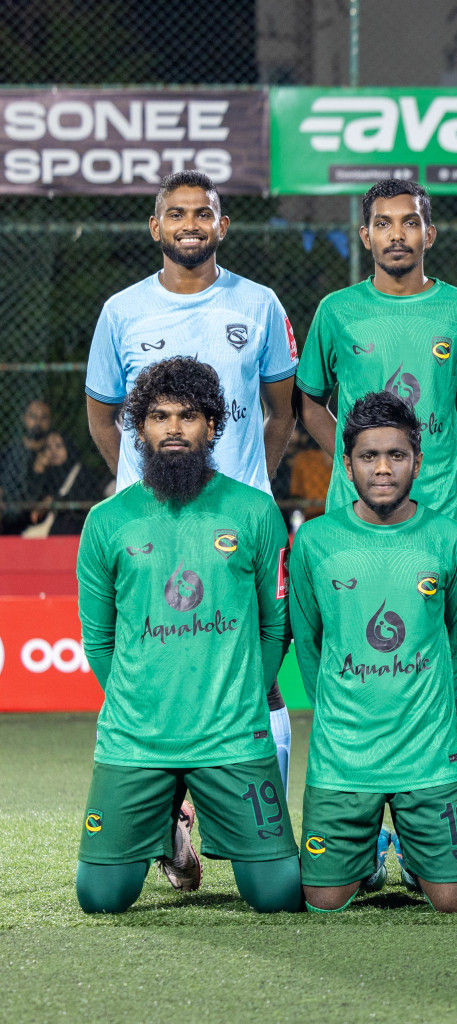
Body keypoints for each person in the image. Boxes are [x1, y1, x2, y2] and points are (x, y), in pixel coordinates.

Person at [83, 170, 299, 796]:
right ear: (156, 227)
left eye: (202, 214)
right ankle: (170, 819)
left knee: (263, 668)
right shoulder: (120, 311)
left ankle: (265, 824)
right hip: (154, 518)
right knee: (154, 659)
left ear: (222, 226)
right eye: (175, 214)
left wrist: (254, 486)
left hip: (238, 519)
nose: (189, 225)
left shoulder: (259, 304)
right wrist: (137, 480)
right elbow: (104, 416)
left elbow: (280, 410)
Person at [74, 357, 300, 913]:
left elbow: (276, 626)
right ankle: (170, 825)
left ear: (213, 426)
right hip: (136, 738)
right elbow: (99, 642)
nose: (173, 429)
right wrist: (138, 699)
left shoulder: (254, 512)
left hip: (231, 734)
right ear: (137, 428)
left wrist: (245, 692)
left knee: (278, 895)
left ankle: (185, 813)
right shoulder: (106, 521)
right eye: (158, 416)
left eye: (189, 416)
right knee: (100, 898)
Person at [289, 391, 457, 913]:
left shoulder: (451, 539)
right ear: (346, 464)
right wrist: (339, 704)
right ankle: (371, 858)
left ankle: (418, 862)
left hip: (427, 754)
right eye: (368, 456)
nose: (382, 468)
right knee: (323, 902)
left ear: (417, 461)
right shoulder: (316, 541)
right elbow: (307, 641)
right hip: (343, 756)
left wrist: (430, 699)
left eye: (396, 455)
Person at [297, 178, 457, 529]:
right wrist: (353, 458)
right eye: (383, 223)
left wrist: (450, 455)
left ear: (428, 235)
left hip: (441, 506)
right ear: (366, 236)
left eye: (410, 223)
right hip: (357, 507)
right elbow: (310, 404)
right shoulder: (336, 310)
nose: (396, 234)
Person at [0, 398, 96, 535]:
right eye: (33, 416)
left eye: (43, 417)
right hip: (12, 518)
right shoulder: (10, 453)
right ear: (24, 418)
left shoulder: (57, 459)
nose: (37, 422)